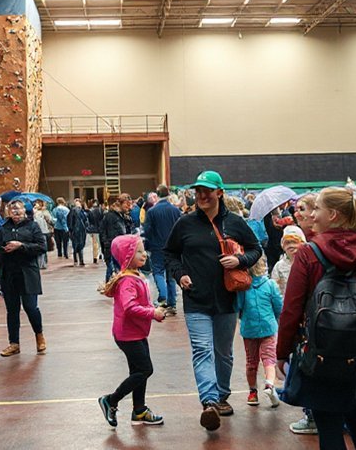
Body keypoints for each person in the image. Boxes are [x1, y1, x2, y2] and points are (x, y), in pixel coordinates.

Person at [277, 186, 356, 450]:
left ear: (332, 215)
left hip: (319, 356)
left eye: (317, 208)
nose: (313, 215)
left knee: (328, 427)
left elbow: (291, 310)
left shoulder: (309, 254)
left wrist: (282, 352)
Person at [164, 170, 262, 432]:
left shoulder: (236, 223)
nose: (202, 195)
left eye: (207, 190)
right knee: (201, 349)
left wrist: (240, 260)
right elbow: (170, 253)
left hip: (227, 298)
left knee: (224, 352)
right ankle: (209, 401)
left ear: (220, 192)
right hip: (196, 298)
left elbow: (256, 249)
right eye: (198, 191)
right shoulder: (184, 223)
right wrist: (180, 274)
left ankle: (222, 395)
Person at [97, 234, 166, 429]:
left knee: (138, 371)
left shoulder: (135, 275)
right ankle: (111, 399)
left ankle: (139, 410)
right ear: (127, 255)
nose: (144, 255)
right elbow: (129, 307)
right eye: (139, 252)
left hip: (136, 332)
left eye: (144, 251)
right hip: (128, 335)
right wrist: (152, 312)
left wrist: (153, 309)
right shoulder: (128, 280)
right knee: (145, 369)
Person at [0, 200, 47, 356]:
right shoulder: (4, 229)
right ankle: (14, 343)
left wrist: (21, 245)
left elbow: (42, 247)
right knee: (12, 310)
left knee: (31, 307)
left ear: (24, 210)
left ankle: (39, 335)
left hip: (28, 273)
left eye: (18, 209)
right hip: (9, 274)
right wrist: (4, 250)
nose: (15, 212)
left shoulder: (32, 226)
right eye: (12, 209)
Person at [236, 257, 283, 409]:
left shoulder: (244, 288)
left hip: (249, 329)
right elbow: (278, 306)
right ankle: (269, 385)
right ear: (263, 266)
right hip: (268, 328)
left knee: (251, 362)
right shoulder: (270, 285)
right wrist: (274, 319)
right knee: (269, 360)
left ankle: (252, 392)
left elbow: (238, 306)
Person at [144, 184, 183, 315]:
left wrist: (148, 243)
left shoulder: (152, 211)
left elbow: (148, 231)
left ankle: (163, 298)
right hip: (172, 248)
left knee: (158, 273)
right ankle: (172, 304)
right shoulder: (175, 210)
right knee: (171, 276)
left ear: (157, 194)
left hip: (157, 247)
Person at [100, 194, 134, 283]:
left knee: (115, 268)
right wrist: (107, 243)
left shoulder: (121, 215)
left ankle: (112, 286)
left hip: (118, 246)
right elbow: (104, 231)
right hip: (112, 246)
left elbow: (126, 230)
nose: (129, 207)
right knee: (112, 269)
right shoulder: (111, 216)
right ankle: (110, 286)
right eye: (127, 205)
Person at [273, 225, 305, 296]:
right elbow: (275, 290)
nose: (291, 246)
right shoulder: (279, 266)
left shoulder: (308, 263)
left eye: (294, 242)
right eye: (287, 243)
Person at [67, 199, 90, 267]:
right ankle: (80, 260)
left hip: (76, 230)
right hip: (80, 230)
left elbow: (69, 221)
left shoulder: (73, 211)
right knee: (80, 245)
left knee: (76, 246)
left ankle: (76, 260)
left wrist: (70, 230)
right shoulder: (81, 211)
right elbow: (86, 220)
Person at [32, 200, 54, 270]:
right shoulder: (41, 213)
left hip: (41, 232)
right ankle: (42, 264)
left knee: (42, 248)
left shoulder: (38, 214)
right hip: (43, 232)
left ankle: (42, 263)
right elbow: (50, 220)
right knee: (42, 248)